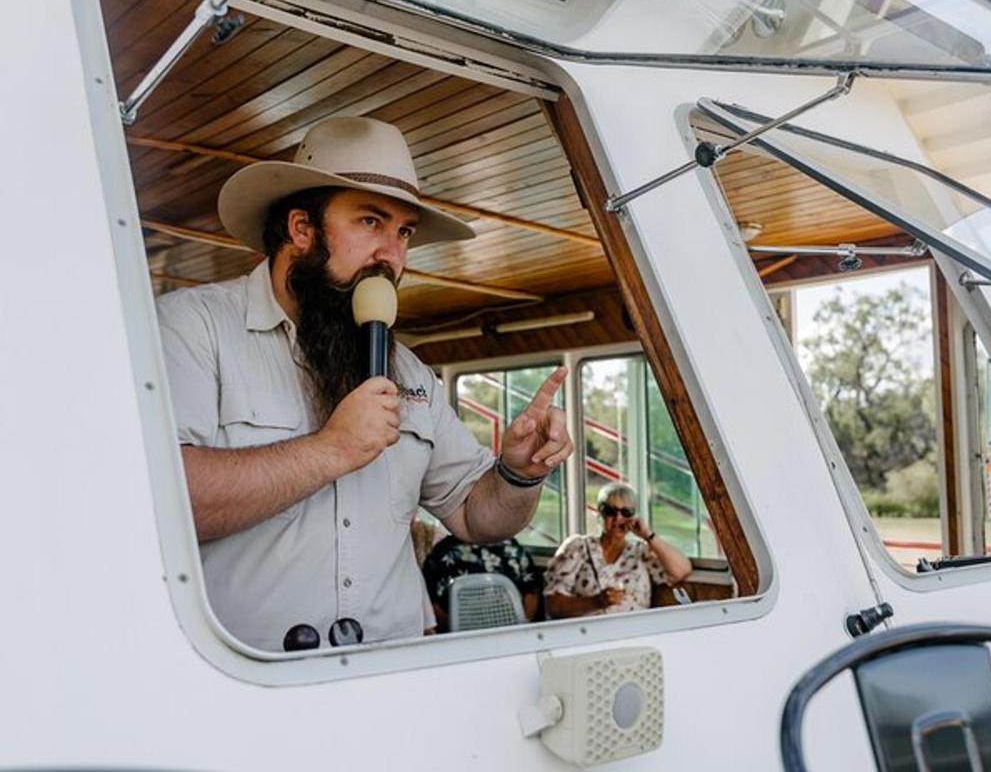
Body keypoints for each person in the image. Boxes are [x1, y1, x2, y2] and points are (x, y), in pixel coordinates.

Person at [156, 116, 574, 651]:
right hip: (246, 681)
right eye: (371, 222)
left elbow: (475, 515)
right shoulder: (194, 327)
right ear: (301, 228)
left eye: (403, 232)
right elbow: (162, 503)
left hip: (389, 670)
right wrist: (331, 450)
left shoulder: (411, 373)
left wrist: (518, 472)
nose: (392, 257)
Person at [543, 482, 692, 618]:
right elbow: (553, 606)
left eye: (626, 512)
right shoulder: (578, 547)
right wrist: (596, 602)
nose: (618, 518)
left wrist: (648, 535)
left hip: (634, 634)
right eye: (610, 511)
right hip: (586, 635)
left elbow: (681, 571)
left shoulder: (640, 552)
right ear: (600, 512)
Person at [421, 534, 542, 631]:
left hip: (509, 634)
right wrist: (454, 631)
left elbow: (531, 593)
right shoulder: (442, 552)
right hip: (459, 638)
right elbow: (430, 603)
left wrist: (520, 628)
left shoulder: (515, 550)